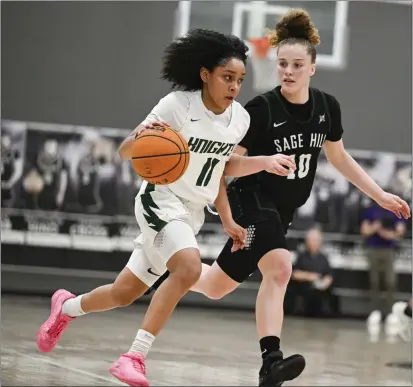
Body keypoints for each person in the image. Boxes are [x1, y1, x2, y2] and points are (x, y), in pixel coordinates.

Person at [147, 9, 411, 387]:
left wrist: (380, 194)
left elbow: (338, 157)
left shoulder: (326, 108)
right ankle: (271, 361)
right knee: (282, 266)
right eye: (282, 64)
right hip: (249, 197)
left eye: (296, 65)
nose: (288, 70)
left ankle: (176, 271)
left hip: (282, 209)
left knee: (219, 286)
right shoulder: (262, 109)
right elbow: (228, 161)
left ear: (312, 68)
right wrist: (264, 162)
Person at [36, 28, 298, 387]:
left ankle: (64, 308)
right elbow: (125, 150)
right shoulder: (178, 105)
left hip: (191, 212)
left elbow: (221, 169)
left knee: (123, 293)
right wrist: (144, 137)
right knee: (189, 268)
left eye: (239, 79)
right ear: (205, 74)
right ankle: (134, 357)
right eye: (227, 77)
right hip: (159, 199)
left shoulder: (240, 119)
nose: (234, 86)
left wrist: (249, 183)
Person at [361, 200, 407, 316]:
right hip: (373, 249)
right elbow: (364, 231)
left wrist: (388, 234)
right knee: (374, 281)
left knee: (390, 282)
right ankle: (374, 312)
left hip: (388, 250)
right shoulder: (371, 211)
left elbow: (400, 231)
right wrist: (375, 228)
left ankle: (391, 312)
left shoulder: (395, 210)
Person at [288, 227, 337, 317]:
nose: (314, 243)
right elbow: (294, 274)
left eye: (316, 240)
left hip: (320, 287)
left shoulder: (323, 258)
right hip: (304, 286)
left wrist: (326, 281)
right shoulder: (302, 256)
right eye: (312, 240)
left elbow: (329, 274)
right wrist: (309, 276)